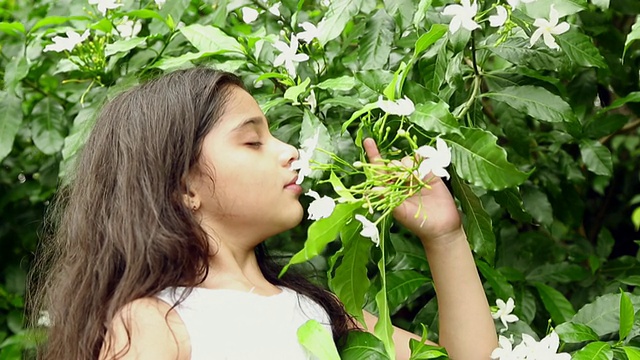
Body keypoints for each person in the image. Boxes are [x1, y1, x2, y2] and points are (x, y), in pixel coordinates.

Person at [28, 67, 497, 360]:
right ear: (184, 186)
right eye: (253, 141)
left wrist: (445, 238)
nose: (290, 151)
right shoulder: (152, 323)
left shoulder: (318, 313)